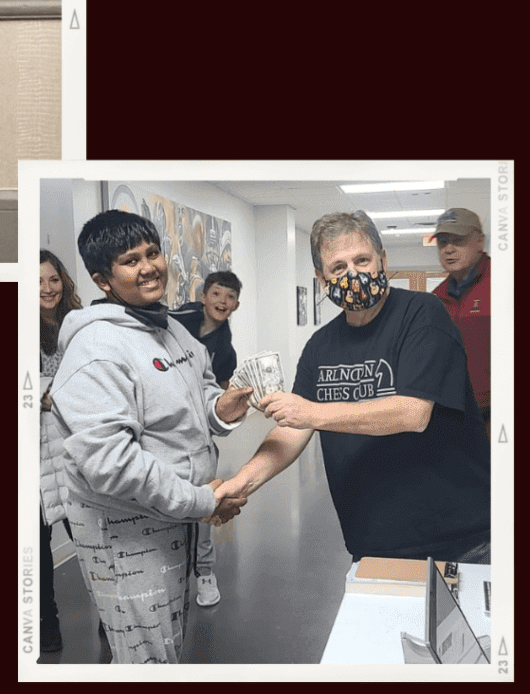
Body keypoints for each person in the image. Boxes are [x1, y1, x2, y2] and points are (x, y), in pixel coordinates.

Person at [216, 210, 490, 568]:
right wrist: (243, 482)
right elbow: (292, 430)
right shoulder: (320, 345)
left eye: (362, 260)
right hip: (372, 539)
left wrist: (312, 411)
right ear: (321, 278)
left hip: (458, 539)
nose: (354, 274)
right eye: (338, 267)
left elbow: (413, 412)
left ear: (382, 260)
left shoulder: (423, 314)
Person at [49, 211, 253, 663]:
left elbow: (196, 391)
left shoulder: (172, 329)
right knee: (145, 658)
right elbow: (113, 464)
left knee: (168, 644)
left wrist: (219, 408)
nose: (148, 267)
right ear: (103, 279)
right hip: (126, 532)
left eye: (152, 253)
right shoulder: (95, 350)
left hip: (175, 515)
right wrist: (203, 501)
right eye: (129, 261)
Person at [169, 271, 242, 607]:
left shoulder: (226, 352)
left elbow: (219, 397)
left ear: (236, 305)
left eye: (228, 297)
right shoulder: (175, 319)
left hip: (197, 439)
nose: (221, 301)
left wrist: (222, 413)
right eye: (216, 294)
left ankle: (206, 574)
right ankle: (173, 576)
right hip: (163, 433)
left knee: (204, 509)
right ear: (203, 296)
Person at [38, 250, 82, 654]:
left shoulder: (78, 327)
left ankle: (112, 619)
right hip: (34, 462)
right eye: (37, 282)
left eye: (52, 279)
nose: (47, 289)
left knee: (90, 545)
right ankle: (45, 631)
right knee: (35, 554)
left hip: (73, 453)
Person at [429, 208, 490, 436]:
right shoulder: (437, 297)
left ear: (479, 242)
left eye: (458, 240)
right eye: (443, 242)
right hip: (454, 412)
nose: (448, 249)